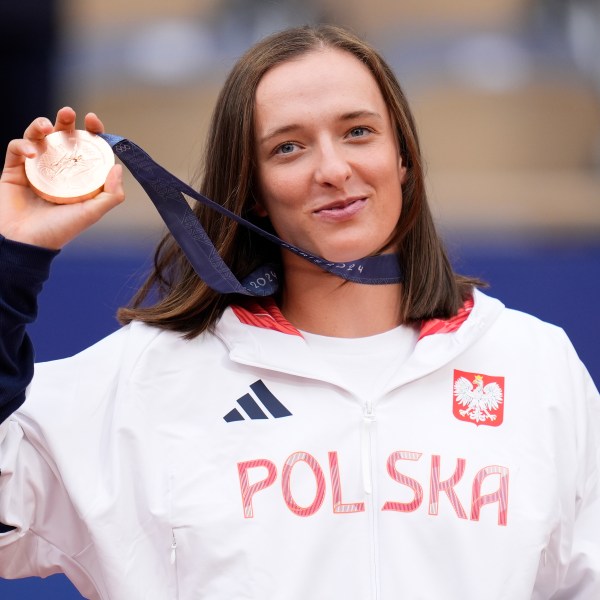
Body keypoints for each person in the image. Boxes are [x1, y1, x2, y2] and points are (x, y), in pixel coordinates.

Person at [0, 24, 598, 600]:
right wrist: (12, 259)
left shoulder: (533, 367)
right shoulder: (143, 381)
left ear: (404, 157)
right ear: (252, 188)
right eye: (288, 147)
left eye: (359, 132)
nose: (333, 170)